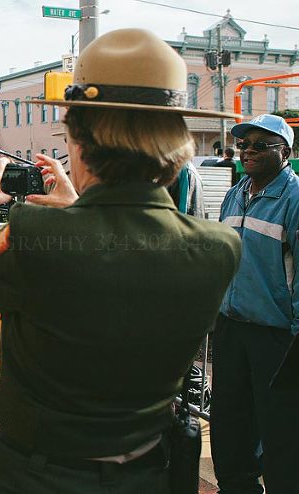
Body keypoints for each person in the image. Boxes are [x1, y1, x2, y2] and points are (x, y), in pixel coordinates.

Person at [0, 29, 241, 493]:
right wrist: (79, 212)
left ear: (81, 140)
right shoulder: (219, 247)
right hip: (145, 474)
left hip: (29, 474)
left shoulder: (35, 234)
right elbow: (117, 259)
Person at [211, 113, 299, 494]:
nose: (247, 151)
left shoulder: (294, 199)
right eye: (243, 145)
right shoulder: (236, 193)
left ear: (285, 152)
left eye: (260, 145)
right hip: (231, 329)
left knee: (281, 434)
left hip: (277, 337)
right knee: (229, 424)